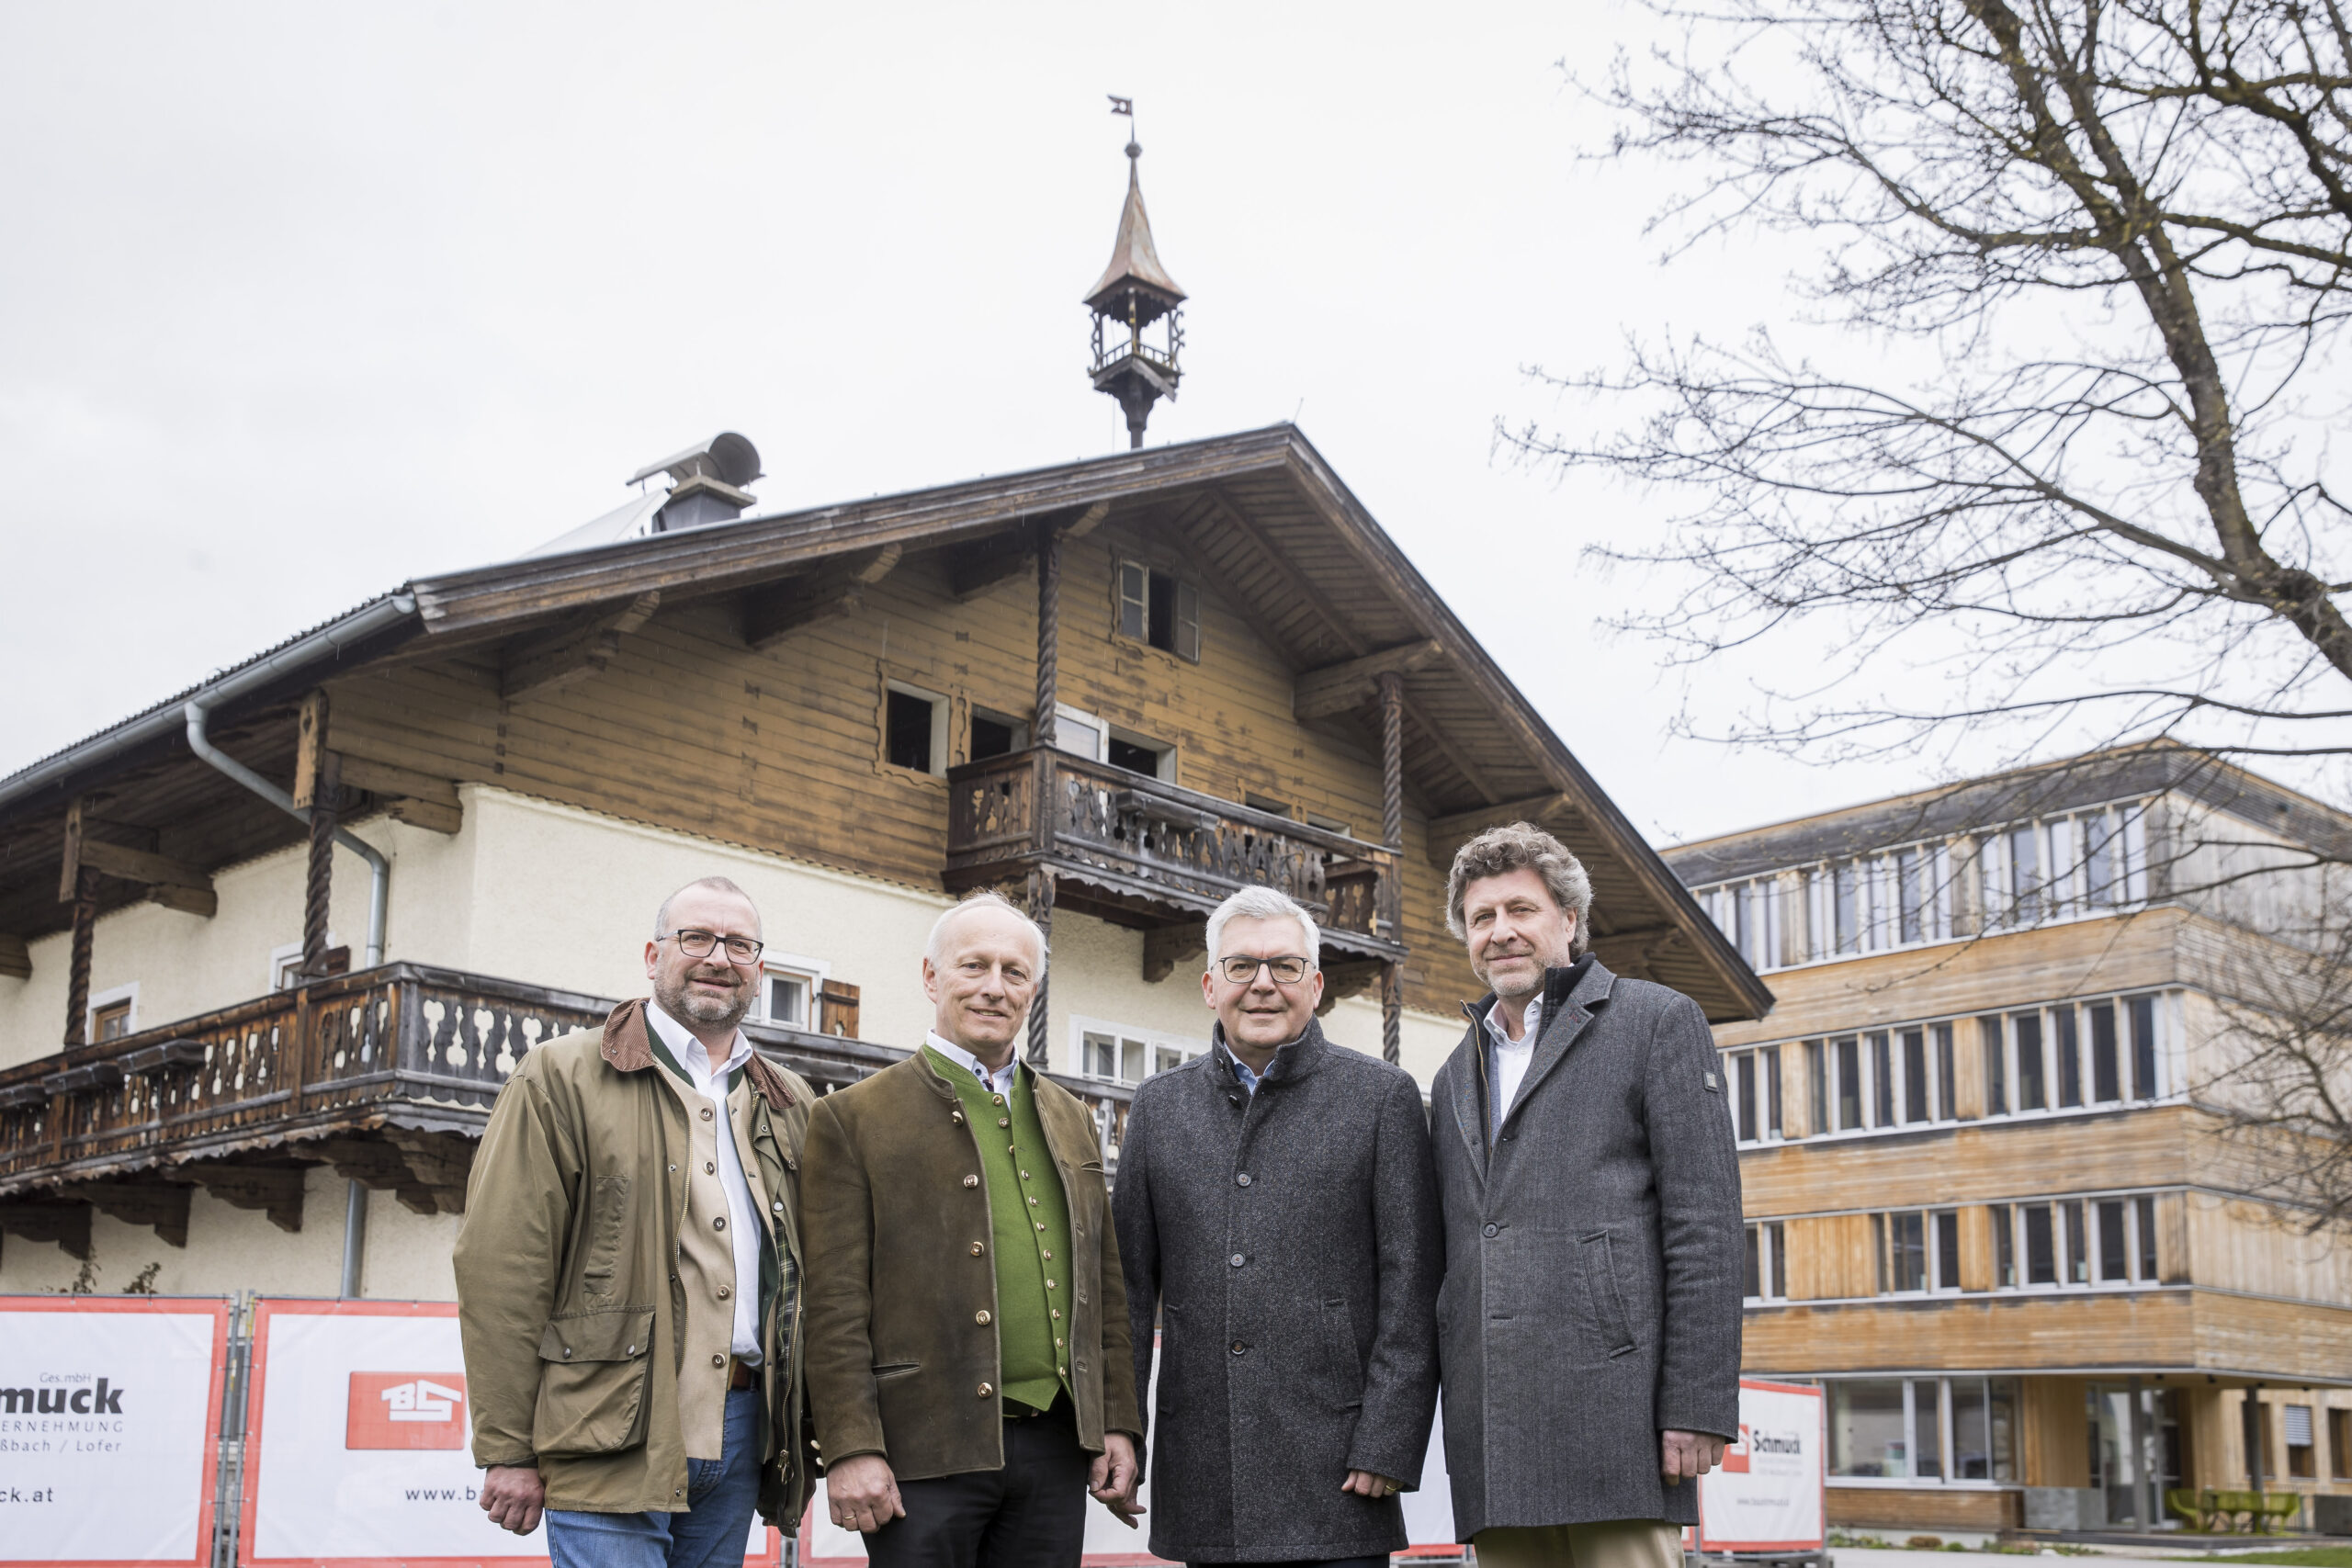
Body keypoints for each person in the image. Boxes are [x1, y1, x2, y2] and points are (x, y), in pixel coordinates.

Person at [455, 874, 818, 1568]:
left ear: (760, 971)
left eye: (739, 943)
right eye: (696, 937)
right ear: (653, 956)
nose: (719, 956)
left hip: (741, 1428)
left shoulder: (789, 1100)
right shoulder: (558, 1076)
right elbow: (502, 1267)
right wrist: (507, 1447)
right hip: (604, 1426)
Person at [799, 890, 1143, 1568]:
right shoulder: (851, 1116)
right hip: (920, 1449)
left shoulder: (1071, 1113)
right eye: (973, 966)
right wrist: (850, 1445)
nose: (994, 987)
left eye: (1014, 972)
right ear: (932, 977)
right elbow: (833, 1307)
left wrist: (1118, 1423)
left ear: (1033, 991)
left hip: (1053, 1447)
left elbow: (1105, 1291)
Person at [1430, 823, 1743, 1568]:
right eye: (1481, 918)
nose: (1500, 932)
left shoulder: (1655, 1022)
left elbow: (1705, 1225)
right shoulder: (1451, 1074)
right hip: (1493, 1437)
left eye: (1520, 909)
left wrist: (1696, 1404)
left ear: (1568, 919)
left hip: (1617, 1421)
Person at [1113, 886, 1440, 1568]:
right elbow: (1129, 1295)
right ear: (1209, 985)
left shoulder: (1382, 1098)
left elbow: (1412, 1286)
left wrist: (1388, 1440)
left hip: (1342, 1469)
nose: (1263, 983)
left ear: (1315, 985)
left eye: (1285, 966)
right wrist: (1122, 1430)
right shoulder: (1157, 1108)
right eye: (1241, 966)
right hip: (1204, 1470)